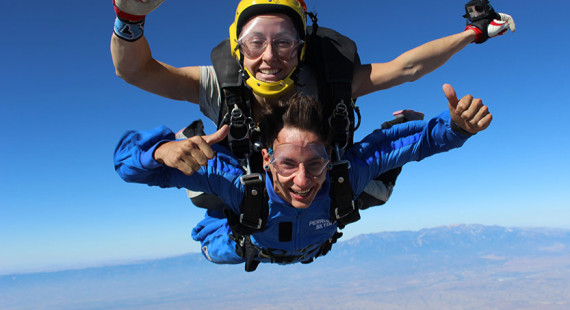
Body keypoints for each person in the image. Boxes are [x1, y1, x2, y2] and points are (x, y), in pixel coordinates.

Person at [111, 0, 513, 211]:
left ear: (301, 48)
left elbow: (406, 67)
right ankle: (192, 141)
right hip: (250, 176)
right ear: (238, 47)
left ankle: (396, 128)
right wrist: (128, 17)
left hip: (317, 174)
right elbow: (138, 72)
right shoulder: (219, 85)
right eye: (255, 42)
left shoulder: (327, 83)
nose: (270, 56)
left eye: (284, 41)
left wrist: (473, 33)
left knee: (374, 192)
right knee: (201, 195)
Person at [114, 84, 493, 270]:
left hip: (311, 242)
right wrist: (160, 151)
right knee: (211, 245)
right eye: (287, 164)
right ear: (266, 158)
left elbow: (414, 145)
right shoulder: (233, 181)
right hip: (242, 244)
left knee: (377, 181)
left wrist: (455, 128)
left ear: (328, 154)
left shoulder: (344, 175)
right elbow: (125, 165)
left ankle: (398, 121)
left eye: (315, 163)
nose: (302, 180)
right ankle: (189, 143)